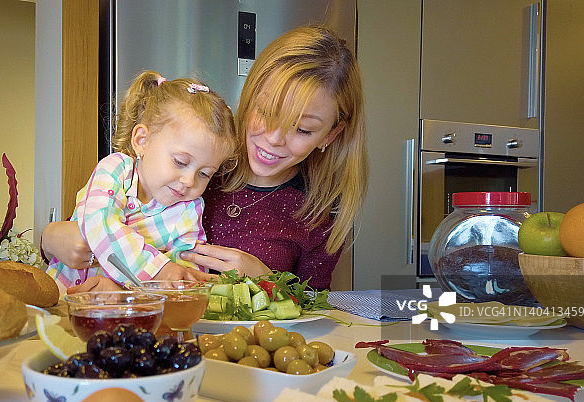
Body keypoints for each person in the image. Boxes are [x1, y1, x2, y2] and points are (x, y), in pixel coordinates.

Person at [41, 25, 368, 292]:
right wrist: (50, 238)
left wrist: (270, 283)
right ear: (250, 95)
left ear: (330, 135)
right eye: (266, 113)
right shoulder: (195, 159)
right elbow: (100, 228)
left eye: (302, 129)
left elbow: (316, 309)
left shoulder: (321, 216)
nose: (274, 138)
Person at [45, 70, 238, 290]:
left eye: (204, 173)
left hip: (132, 311)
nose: (189, 181)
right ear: (142, 141)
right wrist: (160, 269)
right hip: (63, 298)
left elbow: (185, 264)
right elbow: (101, 225)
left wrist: (182, 280)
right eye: (180, 162)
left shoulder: (189, 207)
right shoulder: (115, 170)